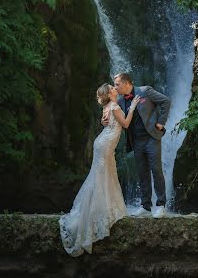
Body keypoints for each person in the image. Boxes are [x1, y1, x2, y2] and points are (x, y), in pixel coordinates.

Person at [59, 83, 140, 255]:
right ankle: (97, 215)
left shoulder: (107, 106)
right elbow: (125, 124)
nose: (115, 89)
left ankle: (100, 210)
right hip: (105, 145)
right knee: (102, 178)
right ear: (110, 94)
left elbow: (106, 123)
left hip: (102, 143)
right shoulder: (115, 106)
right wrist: (132, 107)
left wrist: (103, 122)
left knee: (101, 177)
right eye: (112, 88)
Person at [112, 72, 171, 218]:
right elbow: (119, 119)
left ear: (126, 83)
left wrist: (161, 122)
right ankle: (146, 206)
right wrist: (105, 121)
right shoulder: (120, 101)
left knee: (156, 170)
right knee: (142, 172)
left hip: (152, 138)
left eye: (117, 84)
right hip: (136, 141)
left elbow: (165, 101)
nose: (115, 87)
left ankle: (161, 204)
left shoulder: (145, 91)